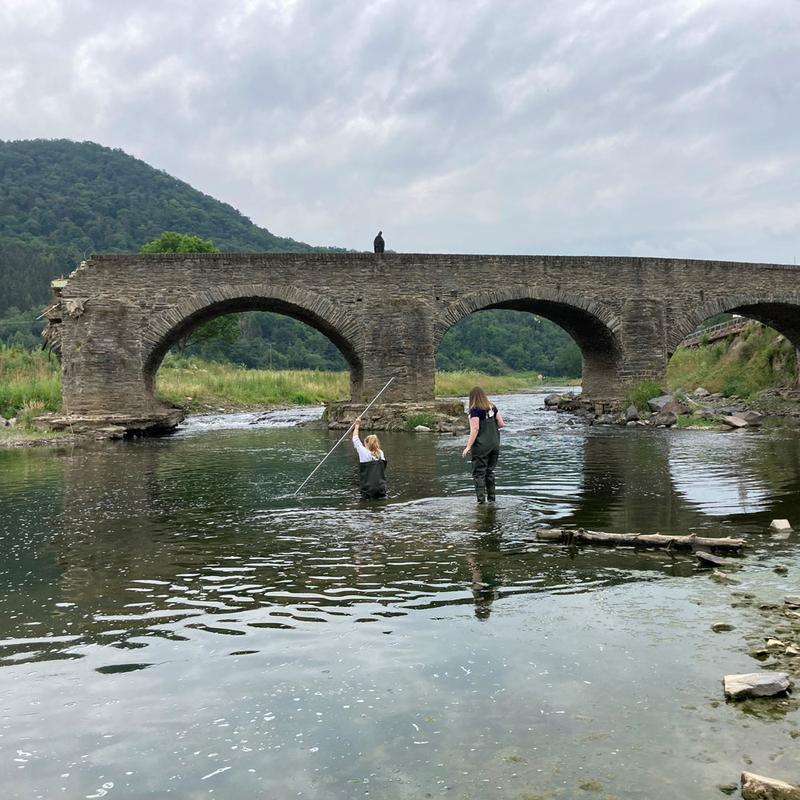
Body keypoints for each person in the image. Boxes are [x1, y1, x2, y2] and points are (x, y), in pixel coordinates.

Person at [461, 386, 505, 503]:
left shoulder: (475, 410)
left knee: (479, 473)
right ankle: (492, 500)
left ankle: (481, 502)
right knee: (489, 472)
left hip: (481, 446)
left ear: (472, 398)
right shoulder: (493, 407)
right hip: (495, 444)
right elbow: (501, 424)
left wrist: (468, 446)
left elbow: (475, 429)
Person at [352, 416, 387, 499]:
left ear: (367, 444)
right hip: (381, 488)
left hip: (368, 489)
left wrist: (357, 425)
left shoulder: (363, 452)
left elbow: (355, 439)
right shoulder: (380, 453)